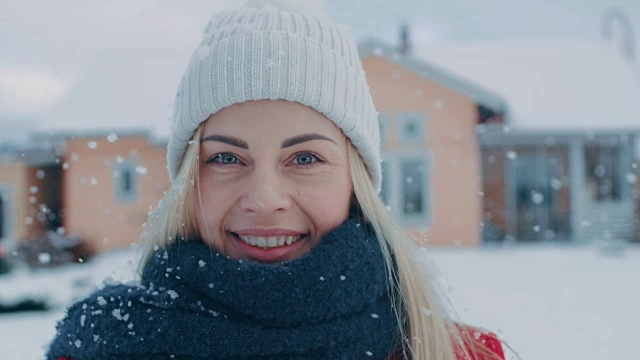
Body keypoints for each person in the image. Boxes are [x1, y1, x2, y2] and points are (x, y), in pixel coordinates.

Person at [47, 1, 506, 359]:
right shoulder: (101, 347)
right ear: (190, 180)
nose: (264, 199)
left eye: (304, 157)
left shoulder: (455, 355)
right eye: (226, 157)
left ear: (356, 182)